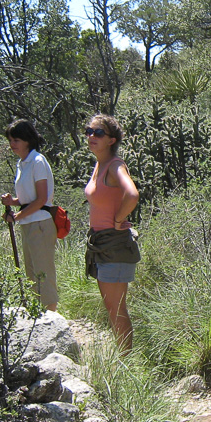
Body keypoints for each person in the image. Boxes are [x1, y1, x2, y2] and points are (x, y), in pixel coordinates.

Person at [83, 114, 140, 352]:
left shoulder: (115, 166)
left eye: (98, 133)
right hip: (103, 244)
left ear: (111, 140)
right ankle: (122, 356)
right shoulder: (100, 164)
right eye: (88, 131)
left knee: (116, 308)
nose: (91, 137)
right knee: (112, 307)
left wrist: (118, 220)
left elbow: (132, 195)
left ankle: (125, 361)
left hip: (114, 245)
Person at [1, 119, 58, 312]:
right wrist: (13, 202)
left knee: (44, 273)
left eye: (16, 139)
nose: (12, 144)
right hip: (28, 223)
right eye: (10, 139)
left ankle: (51, 318)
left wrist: (16, 216)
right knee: (32, 274)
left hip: (40, 224)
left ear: (27, 140)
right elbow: (28, 198)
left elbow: (41, 199)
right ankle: (38, 316)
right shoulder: (22, 163)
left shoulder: (37, 161)